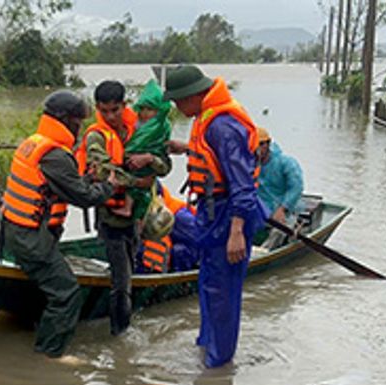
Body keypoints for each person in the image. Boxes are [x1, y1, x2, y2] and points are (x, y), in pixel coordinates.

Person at [0, 90, 119, 361]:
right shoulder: (54, 155)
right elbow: (83, 199)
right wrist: (108, 187)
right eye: (78, 121)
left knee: (48, 284)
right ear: (66, 121)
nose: (81, 127)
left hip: (16, 230)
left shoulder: (36, 142)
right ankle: (49, 355)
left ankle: (38, 327)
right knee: (67, 292)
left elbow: (65, 187)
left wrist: (87, 181)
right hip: (30, 236)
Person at [164, 65, 268, 368]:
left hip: (228, 215)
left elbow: (243, 186)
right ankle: (206, 346)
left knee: (223, 293)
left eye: (180, 101)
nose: (177, 107)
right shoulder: (206, 119)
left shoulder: (222, 126)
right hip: (211, 215)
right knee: (209, 284)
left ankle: (219, 365)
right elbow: (213, 158)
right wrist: (185, 148)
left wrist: (237, 231)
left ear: (196, 95)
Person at [74, 80, 163, 336]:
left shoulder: (137, 128)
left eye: (115, 110)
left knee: (128, 274)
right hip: (111, 218)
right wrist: (138, 181)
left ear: (124, 105)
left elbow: (160, 163)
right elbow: (103, 172)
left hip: (134, 217)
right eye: (104, 111)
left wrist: (151, 161)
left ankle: (121, 326)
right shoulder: (96, 135)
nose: (111, 116)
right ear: (97, 109)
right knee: (121, 283)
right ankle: (120, 338)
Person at [255, 127, 304, 249]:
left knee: (280, 230)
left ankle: (263, 254)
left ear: (268, 143)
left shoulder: (285, 163)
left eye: (261, 144)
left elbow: (296, 187)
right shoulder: (248, 164)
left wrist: (282, 209)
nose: (258, 149)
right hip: (260, 211)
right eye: (254, 145)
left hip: (285, 211)